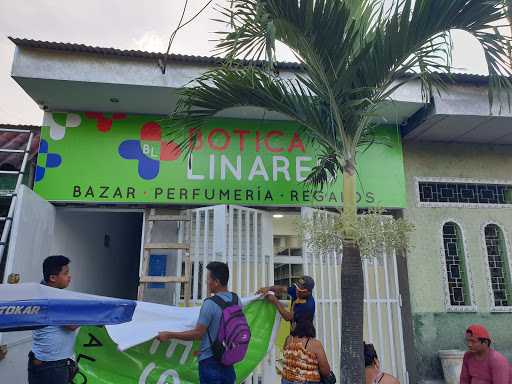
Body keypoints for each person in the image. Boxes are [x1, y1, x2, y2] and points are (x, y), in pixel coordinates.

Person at [155, 261, 241, 384]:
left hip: (210, 362)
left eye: (207, 279)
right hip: (228, 361)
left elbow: (197, 334)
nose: (206, 282)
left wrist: (169, 334)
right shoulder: (236, 299)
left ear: (216, 282)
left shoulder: (210, 304)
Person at [28, 255, 80, 384]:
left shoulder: (43, 289)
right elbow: (71, 326)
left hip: (47, 362)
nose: (70, 276)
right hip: (51, 365)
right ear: (52, 278)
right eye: (65, 273)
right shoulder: (52, 297)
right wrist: (91, 313)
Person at [281, 309, 331, 384]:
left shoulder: (288, 339)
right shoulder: (315, 344)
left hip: (286, 381)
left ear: (295, 324)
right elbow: (325, 372)